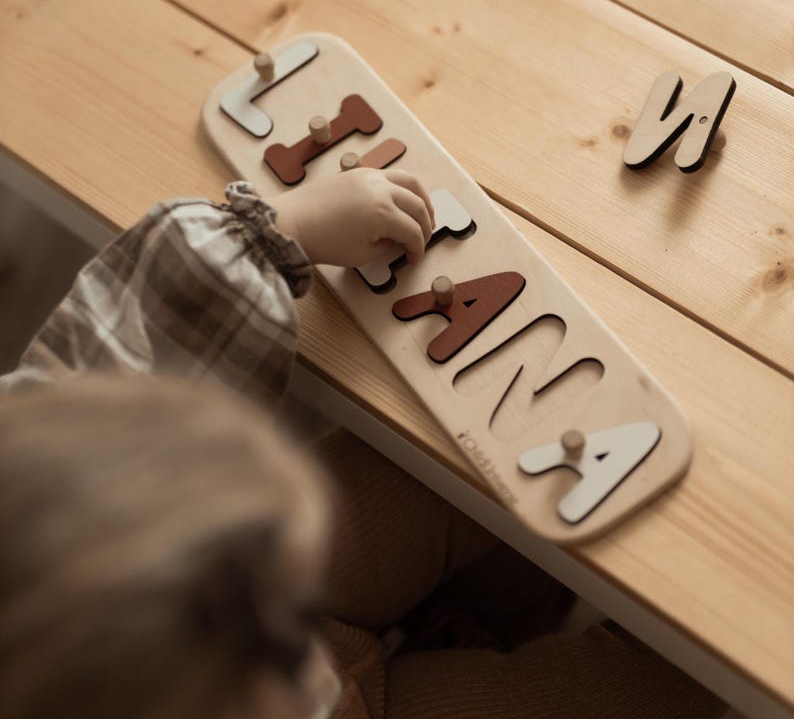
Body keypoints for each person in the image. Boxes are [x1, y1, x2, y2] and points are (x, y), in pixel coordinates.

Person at [0, 170, 724, 717]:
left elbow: (125, 351)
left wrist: (284, 228)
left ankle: (475, 615)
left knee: (476, 464)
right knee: (663, 683)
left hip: (293, 615)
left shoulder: (48, 493)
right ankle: (474, 628)